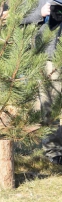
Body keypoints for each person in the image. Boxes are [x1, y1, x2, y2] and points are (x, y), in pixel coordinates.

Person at [22, 1, 62, 164]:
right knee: (50, 106)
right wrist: (41, 13)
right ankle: (54, 152)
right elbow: (18, 19)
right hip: (49, 59)